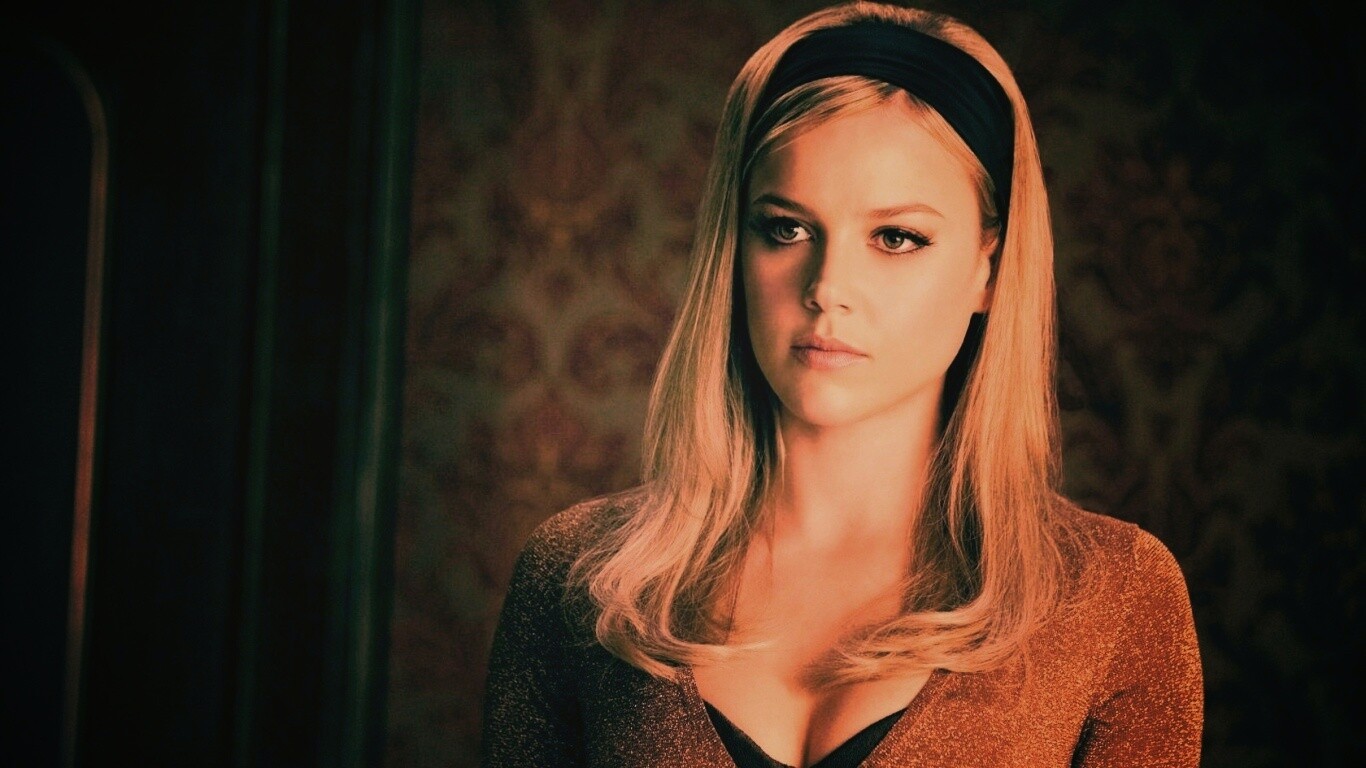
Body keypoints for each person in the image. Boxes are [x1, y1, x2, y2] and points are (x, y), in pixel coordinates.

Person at [479, 1, 1203, 766]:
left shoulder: (1114, 598)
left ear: (988, 268)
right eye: (786, 228)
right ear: (735, 245)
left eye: (896, 237)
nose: (827, 287)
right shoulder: (577, 580)